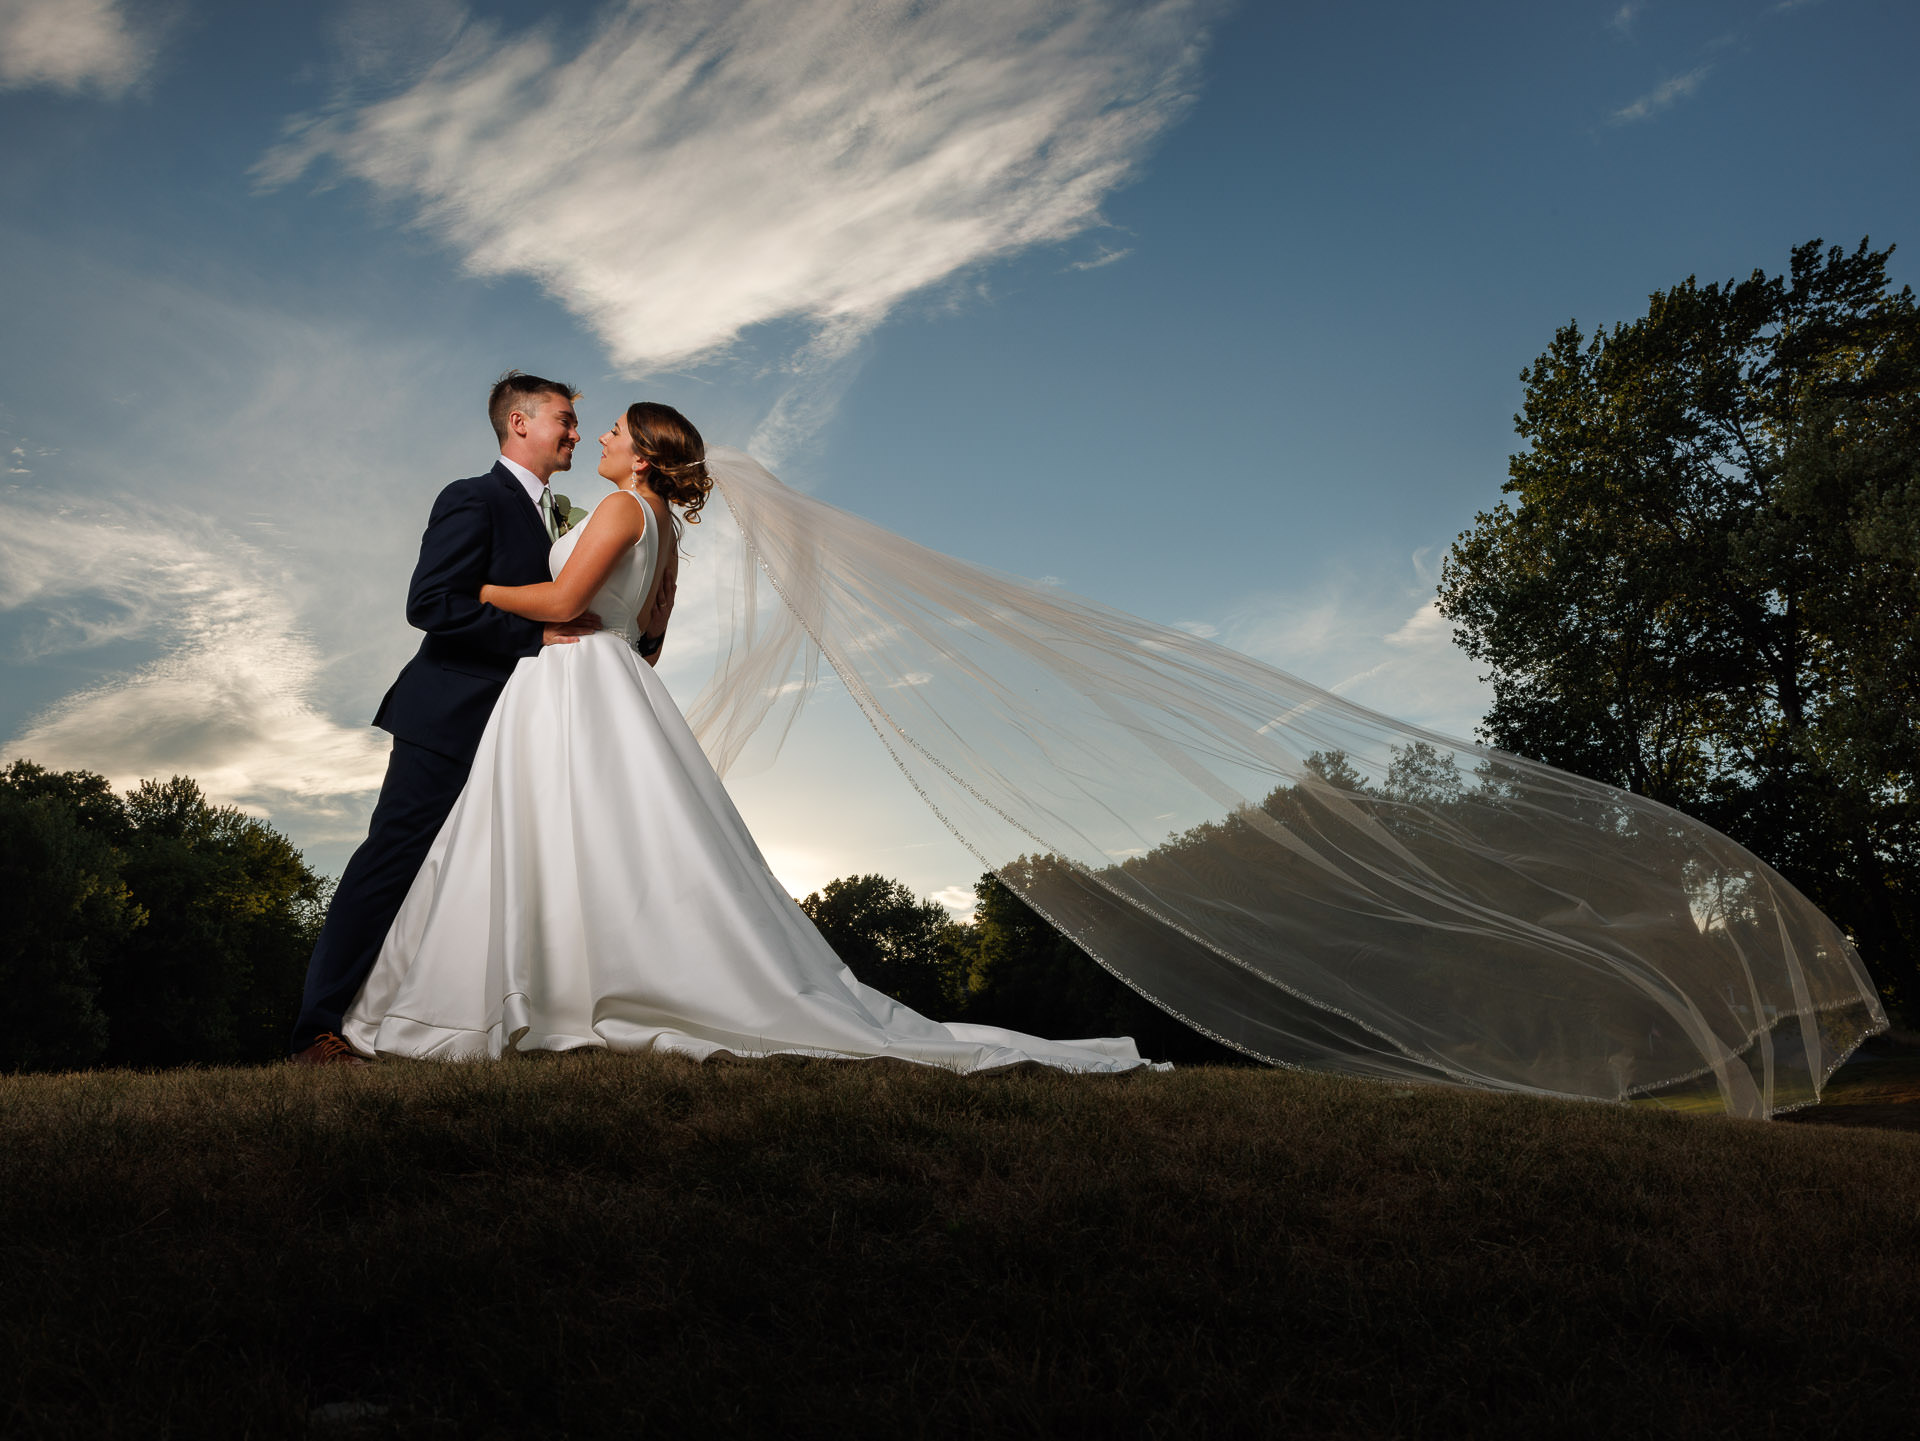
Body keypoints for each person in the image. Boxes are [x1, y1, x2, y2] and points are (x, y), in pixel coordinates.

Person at [336, 401, 1158, 1075]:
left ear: (644, 458)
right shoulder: (666, 530)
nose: (603, 437)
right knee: (606, 841)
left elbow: (557, 607)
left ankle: (539, 987)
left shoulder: (621, 507)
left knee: (544, 835)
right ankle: (578, 980)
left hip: (574, 678)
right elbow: (651, 640)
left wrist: (478, 585)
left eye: (616, 430)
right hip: (619, 679)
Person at [289, 373, 606, 1066]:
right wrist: (531, 636)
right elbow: (431, 602)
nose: (577, 432)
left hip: (524, 725)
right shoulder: (474, 496)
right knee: (393, 859)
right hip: (451, 713)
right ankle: (318, 1027)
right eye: (565, 420)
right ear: (518, 423)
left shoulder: (560, 515)